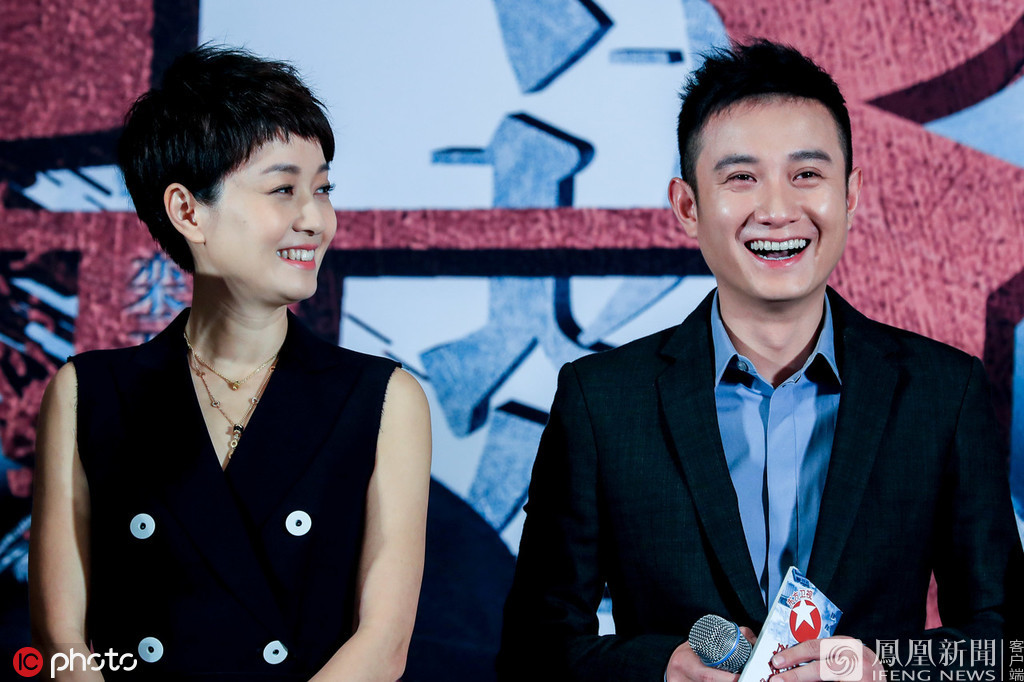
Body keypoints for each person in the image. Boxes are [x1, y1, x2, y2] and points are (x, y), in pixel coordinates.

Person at [497, 40, 1021, 682]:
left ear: (851, 193)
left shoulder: (942, 392)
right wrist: (660, 668)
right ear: (687, 206)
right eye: (741, 177)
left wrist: (883, 669)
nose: (776, 211)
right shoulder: (602, 402)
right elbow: (531, 651)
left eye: (807, 175)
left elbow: (1008, 647)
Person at [29, 45, 431, 680]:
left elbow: (383, 644)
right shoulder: (89, 391)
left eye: (323, 189)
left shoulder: (383, 398)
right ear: (188, 211)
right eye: (284, 190)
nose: (315, 220)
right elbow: (60, 639)